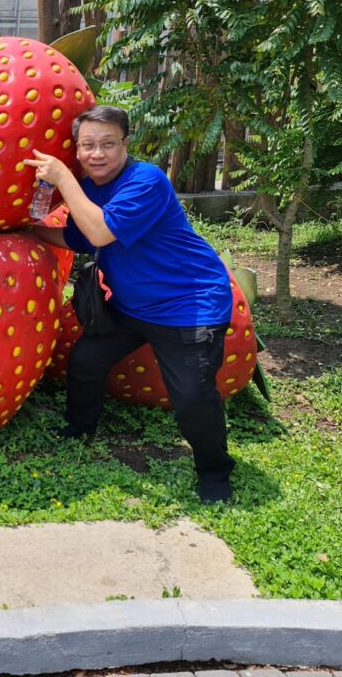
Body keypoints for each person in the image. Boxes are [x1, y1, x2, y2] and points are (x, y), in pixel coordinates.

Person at [24, 105, 235, 504]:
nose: (97, 154)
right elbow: (81, 238)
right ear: (78, 147)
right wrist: (29, 232)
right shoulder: (89, 188)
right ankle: (79, 429)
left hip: (188, 304)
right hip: (131, 307)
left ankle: (214, 473)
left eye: (108, 144)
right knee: (86, 359)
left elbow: (101, 232)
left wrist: (64, 178)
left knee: (192, 394)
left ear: (125, 143)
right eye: (87, 145)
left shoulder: (146, 180)